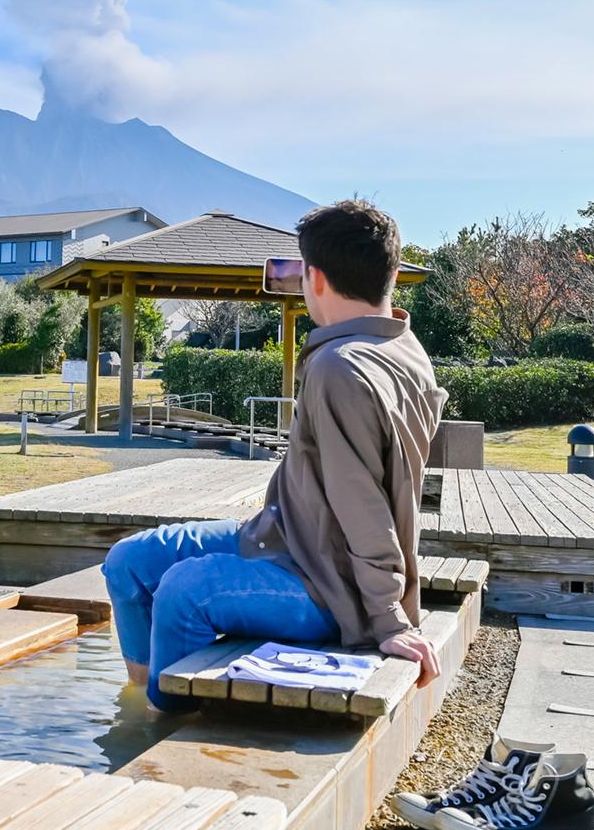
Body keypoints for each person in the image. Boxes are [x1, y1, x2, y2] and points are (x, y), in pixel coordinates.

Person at [103, 199, 449, 711]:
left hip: (329, 584)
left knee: (182, 591)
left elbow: (364, 507)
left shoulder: (341, 366)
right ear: (392, 274)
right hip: (284, 538)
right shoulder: (399, 342)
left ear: (314, 279)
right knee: (129, 562)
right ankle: (144, 697)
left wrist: (389, 620)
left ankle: (165, 727)